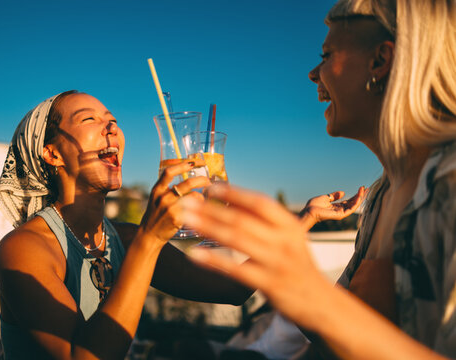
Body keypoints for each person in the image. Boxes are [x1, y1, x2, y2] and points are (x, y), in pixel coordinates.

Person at [181, 0, 456, 359]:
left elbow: (328, 310)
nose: (313, 73)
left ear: (379, 62)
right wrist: (284, 280)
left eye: (326, 54)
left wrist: (310, 292)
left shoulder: (448, 185)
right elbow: (335, 332)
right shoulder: (381, 194)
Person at [0, 90, 255, 359]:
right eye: (88, 119)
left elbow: (233, 290)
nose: (112, 127)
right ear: (52, 154)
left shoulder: (124, 238)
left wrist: (291, 233)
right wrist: (150, 239)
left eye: (113, 120)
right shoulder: (23, 249)